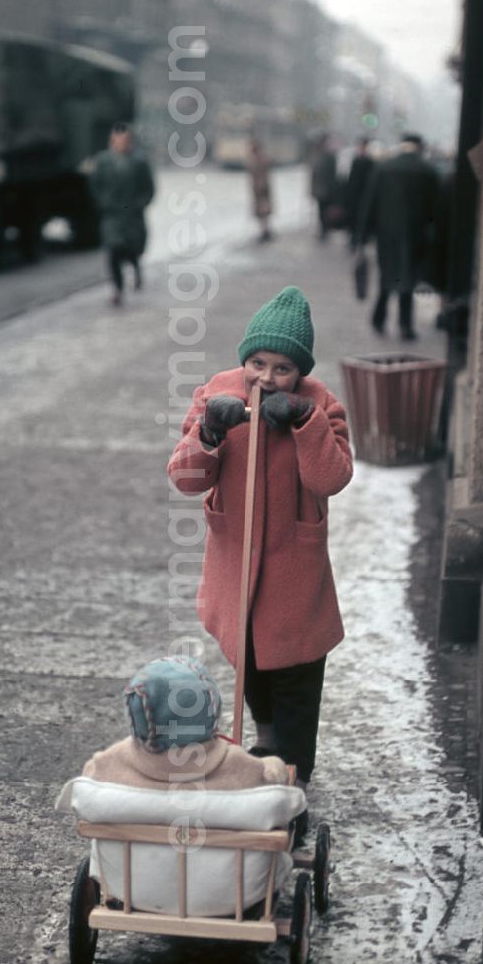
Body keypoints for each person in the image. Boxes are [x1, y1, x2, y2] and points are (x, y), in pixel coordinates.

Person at [167, 286, 353, 804]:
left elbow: (331, 478)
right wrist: (208, 431)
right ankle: (265, 733)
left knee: (295, 666)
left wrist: (304, 422)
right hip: (235, 561)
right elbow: (185, 478)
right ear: (243, 358)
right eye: (257, 363)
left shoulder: (320, 405)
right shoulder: (217, 392)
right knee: (248, 655)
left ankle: (293, 777)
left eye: (282, 369)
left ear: (300, 373)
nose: (266, 378)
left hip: (293, 566)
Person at [81, 655, 289, 790]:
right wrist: (275, 765)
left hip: (131, 857)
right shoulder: (234, 763)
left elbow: (90, 772)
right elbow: (271, 774)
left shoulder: (115, 761)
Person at [356, 132, 440, 340]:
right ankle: (405, 325)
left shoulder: (383, 167)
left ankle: (378, 318)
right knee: (408, 279)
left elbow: (369, 203)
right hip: (415, 234)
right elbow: (435, 209)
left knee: (386, 275)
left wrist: (363, 235)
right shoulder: (427, 171)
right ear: (420, 147)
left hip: (386, 234)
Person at [89, 122, 155, 307]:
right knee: (113, 249)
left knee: (132, 248)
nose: (121, 143)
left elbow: (148, 189)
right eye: (117, 140)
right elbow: (95, 185)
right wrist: (103, 203)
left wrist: (139, 204)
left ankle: (136, 269)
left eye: (125, 140)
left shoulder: (139, 162)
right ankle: (117, 289)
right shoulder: (102, 161)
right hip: (112, 215)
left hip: (132, 215)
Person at [345, 137, 374, 251]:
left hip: (363, 196)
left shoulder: (369, 161)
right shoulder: (356, 160)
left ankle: (359, 239)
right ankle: (354, 239)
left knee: (360, 219)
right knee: (353, 219)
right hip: (355, 196)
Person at [309, 132, 338, 241]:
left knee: (325, 212)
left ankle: (326, 230)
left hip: (327, 191)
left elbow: (332, 176)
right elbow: (314, 174)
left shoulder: (330, 157)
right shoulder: (317, 156)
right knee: (321, 212)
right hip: (319, 190)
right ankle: (323, 230)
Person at [246, 137, 274, 242]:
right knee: (262, 212)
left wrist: (260, 187)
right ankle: (265, 231)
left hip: (261, 189)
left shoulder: (260, 159)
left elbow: (262, 173)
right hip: (258, 189)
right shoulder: (256, 158)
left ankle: (265, 232)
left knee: (263, 211)